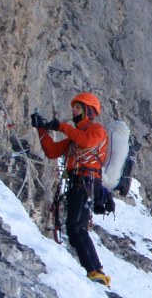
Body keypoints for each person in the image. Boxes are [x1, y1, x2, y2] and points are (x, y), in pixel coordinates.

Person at [31, 92, 111, 287]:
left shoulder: (96, 130)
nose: (73, 110)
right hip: (79, 184)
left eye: (78, 107)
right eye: (74, 107)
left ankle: (95, 271)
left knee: (77, 228)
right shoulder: (75, 136)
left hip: (87, 183)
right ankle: (95, 271)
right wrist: (43, 130)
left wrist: (62, 127)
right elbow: (52, 151)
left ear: (87, 111)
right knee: (75, 228)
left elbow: (87, 142)